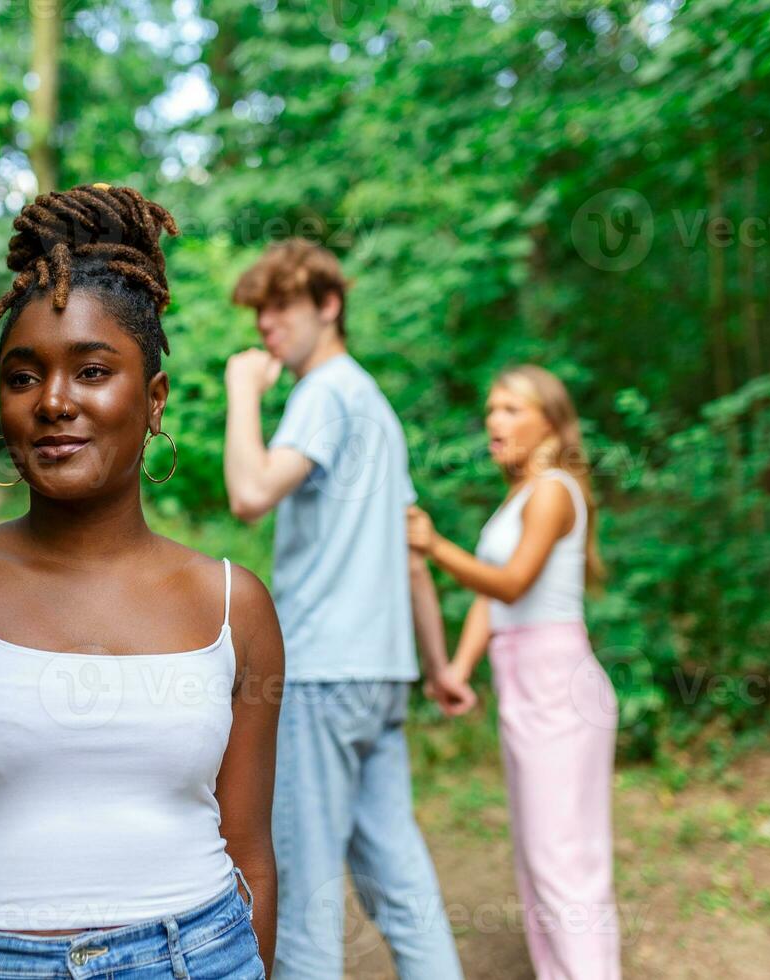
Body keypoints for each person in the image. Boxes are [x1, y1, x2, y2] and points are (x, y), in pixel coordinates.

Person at [0, 183, 284, 980]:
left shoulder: (233, 607)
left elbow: (250, 851)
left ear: (152, 401)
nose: (53, 402)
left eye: (92, 370)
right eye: (23, 376)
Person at [222, 238, 469, 980]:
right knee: (402, 887)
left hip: (325, 675)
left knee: (305, 903)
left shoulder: (324, 393)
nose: (266, 325)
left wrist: (242, 392)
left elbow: (251, 493)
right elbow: (412, 555)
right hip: (381, 678)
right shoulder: (377, 407)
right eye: (260, 311)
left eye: (282, 307)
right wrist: (437, 668)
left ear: (328, 307)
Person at [406, 364, 621, 980]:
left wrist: (435, 546)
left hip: (560, 688)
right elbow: (493, 599)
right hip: (523, 686)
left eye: (509, 409)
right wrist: (459, 669)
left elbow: (512, 581)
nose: (492, 421)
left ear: (549, 422)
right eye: (491, 409)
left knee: (564, 862)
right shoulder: (523, 491)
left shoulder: (554, 489)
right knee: (536, 860)